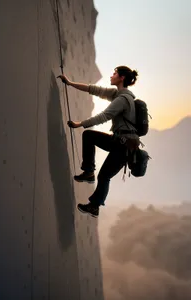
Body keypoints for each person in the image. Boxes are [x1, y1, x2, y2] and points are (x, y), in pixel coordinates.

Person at [57, 66, 140, 218]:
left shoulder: (122, 99)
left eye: (115, 73)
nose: (112, 75)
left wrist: (79, 123)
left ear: (121, 78)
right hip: (119, 141)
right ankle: (88, 172)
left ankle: (94, 206)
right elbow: (93, 89)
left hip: (124, 147)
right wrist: (70, 83)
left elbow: (104, 116)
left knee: (104, 176)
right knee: (89, 136)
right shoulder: (117, 94)